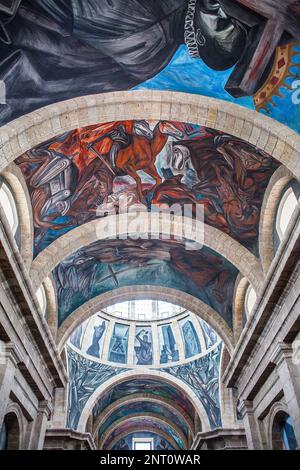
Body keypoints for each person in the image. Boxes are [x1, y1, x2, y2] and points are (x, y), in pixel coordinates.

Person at [0, 0, 262, 124]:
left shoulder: (153, 23)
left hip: (24, 36)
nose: (219, 9)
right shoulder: (158, 55)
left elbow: (76, 10)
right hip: (30, 60)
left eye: (221, 22)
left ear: (205, 37)